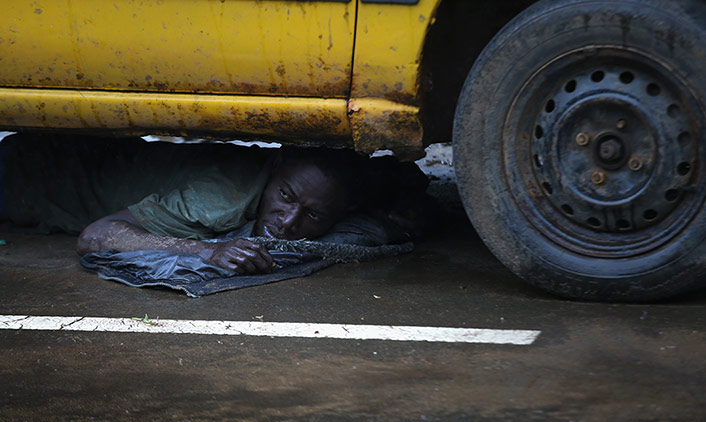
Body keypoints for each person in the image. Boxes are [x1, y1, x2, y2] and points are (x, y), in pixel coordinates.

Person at [0, 133, 434, 275]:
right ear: (276, 166)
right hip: (26, 179)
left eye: (314, 215)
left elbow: (404, 177)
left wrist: (398, 211)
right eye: (285, 198)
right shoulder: (219, 200)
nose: (287, 223)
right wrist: (207, 251)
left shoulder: (337, 185)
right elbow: (96, 236)